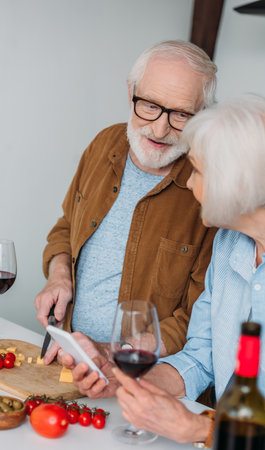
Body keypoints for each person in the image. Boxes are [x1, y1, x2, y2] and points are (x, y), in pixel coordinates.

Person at [110, 94, 265, 450]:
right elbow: (203, 354)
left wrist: (200, 429)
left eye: (197, 170)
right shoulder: (230, 241)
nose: (190, 184)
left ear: (239, 183)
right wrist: (135, 383)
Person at [34, 40, 217, 366]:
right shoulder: (104, 143)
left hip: (144, 377)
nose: (160, 129)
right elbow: (65, 228)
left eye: (181, 114)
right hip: (65, 358)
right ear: (130, 91)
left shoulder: (211, 189)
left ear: (202, 115)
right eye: (149, 105)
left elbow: (201, 317)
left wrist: (116, 355)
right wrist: (59, 274)